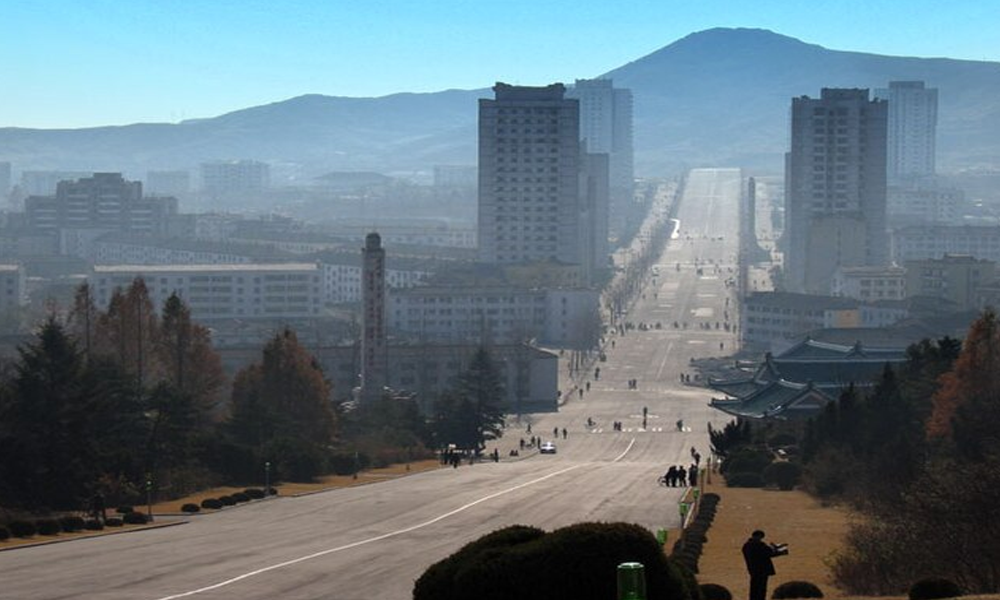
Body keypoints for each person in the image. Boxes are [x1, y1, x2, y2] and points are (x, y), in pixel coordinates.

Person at [742, 530, 788, 600]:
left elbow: (765, 552)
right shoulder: (759, 545)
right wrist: (781, 552)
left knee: (754, 587)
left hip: (753, 569)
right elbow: (769, 553)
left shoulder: (746, 545)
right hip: (762, 570)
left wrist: (774, 548)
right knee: (761, 588)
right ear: (759, 536)